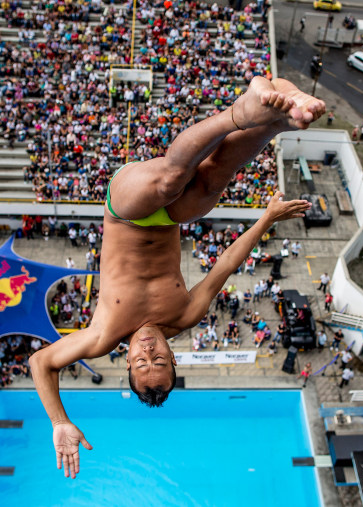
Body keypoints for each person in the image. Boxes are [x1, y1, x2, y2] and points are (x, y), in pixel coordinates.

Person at [29, 77, 325, 479]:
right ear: (172, 356)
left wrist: (59, 420)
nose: (148, 349)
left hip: (126, 208)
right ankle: (281, 117)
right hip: (169, 217)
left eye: (140, 360)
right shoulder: (185, 316)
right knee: (213, 178)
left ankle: (242, 111)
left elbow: (41, 362)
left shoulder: (102, 335)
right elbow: (224, 267)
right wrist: (266, 220)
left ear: (127, 365)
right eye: (159, 358)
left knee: (170, 181)